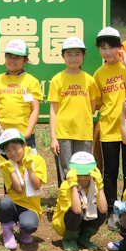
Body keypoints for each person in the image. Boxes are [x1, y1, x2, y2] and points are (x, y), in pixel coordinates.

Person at [94, 27, 126, 231]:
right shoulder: (99, 74)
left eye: (111, 47)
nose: (107, 52)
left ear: (120, 48)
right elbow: (97, 103)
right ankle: (113, 210)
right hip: (108, 128)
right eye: (103, 48)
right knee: (110, 172)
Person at [48, 36, 101, 184]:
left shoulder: (89, 80)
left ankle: (83, 203)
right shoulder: (57, 79)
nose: (73, 58)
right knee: (66, 169)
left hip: (83, 132)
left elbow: (91, 107)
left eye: (77, 54)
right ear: (62, 56)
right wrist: (53, 138)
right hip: (63, 132)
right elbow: (53, 110)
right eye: (69, 54)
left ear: (84, 56)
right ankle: (67, 204)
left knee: (83, 168)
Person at [0, 129, 48, 251]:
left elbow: (36, 186)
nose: (12, 153)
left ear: (24, 145)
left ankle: (23, 230)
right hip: (14, 204)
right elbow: (18, 189)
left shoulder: (37, 160)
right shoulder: (6, 165)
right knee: (4, 203)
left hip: (30, 207)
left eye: (15, 147)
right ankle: (8, 233)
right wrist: (11, 170)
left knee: (29, 225)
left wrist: (29, 168)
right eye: (8, 150)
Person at [0, 39, 42, 150]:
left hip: (25, 135)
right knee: (6, 167)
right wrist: (0, 130)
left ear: (25, 60)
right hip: (3, 135)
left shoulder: (32, 81)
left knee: (27, 166)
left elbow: (35, 110)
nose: (12, 60)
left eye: (17, 57)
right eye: (9, 56)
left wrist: (27, 133)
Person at [52, 151, 107, 251]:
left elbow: (103, 209)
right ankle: (69, 239)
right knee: (77, 214)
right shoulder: (66, 186)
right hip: (64, 223)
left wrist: (100, 186)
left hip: (83, 219)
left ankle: (84, 237)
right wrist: (73, 186)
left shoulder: (94, 185)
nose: (83, 172)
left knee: (102, 213)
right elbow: (76, 210)